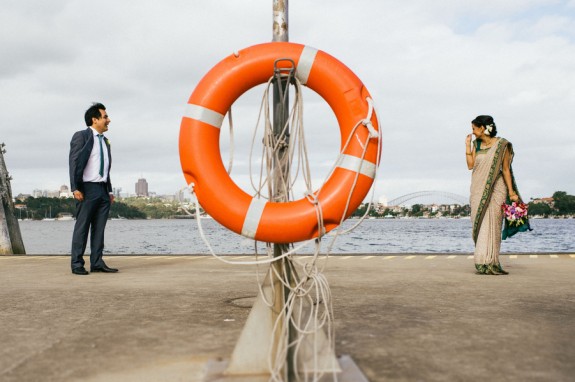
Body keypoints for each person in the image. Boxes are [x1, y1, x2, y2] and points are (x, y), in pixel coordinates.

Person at [465, 115, 521, 275]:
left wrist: (511, 192)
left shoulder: (502, 145)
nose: (473, 132)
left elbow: (505, 170)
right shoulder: (476, 144)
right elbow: (470, 166)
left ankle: (491, 261)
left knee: (494, 225)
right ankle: (482, 260)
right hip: (478, 189)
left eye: (474, 129)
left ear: (483, 128)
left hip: (497, 189)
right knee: (481, 222)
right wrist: (467, 146)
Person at [69, 103, 118, 275]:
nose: (108, 120)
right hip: (87, 189)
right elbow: (74, 162)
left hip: (103, 191)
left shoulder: (105, 141)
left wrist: (110, 191)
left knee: (99, 228)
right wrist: (75, 187)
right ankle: (77, 264)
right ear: (94, 119)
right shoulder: (81, 136)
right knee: (82, 228)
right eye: (105, 117)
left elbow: (105, 168)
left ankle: (97, 262)